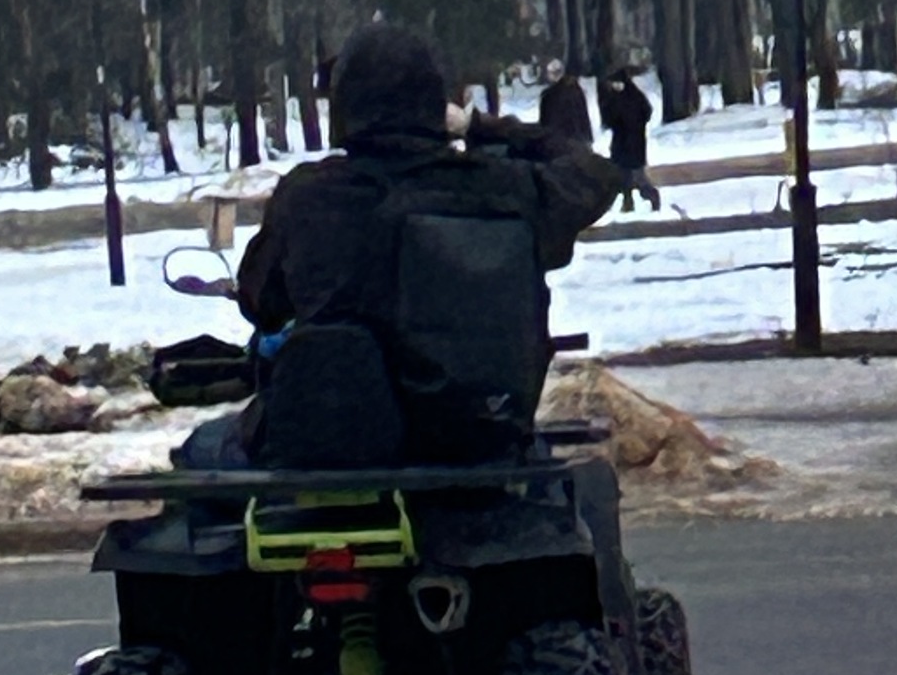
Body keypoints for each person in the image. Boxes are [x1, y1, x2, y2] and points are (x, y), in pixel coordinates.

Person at [237, 23, 618, 461]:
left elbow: (260, 300)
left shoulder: (309, 196)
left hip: (345, 448)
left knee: (207, 450)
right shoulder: (502, 189)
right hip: (480, 440)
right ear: (437, 102)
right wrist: (480, 126)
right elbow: (592, 171)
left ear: (345, 104)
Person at [598, 64, 661, 212]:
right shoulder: (616, 98)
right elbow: (609, 119)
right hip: (622, 143)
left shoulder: (634, 97)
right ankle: (628, 203)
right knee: (623, 177)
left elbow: (646, 113)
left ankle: (651, 196)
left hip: (633, 143)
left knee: (637, 176)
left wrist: (633, 124)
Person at [537, 57, 594, 146]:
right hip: (577, 140)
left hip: (557, 141)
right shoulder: (576, 90)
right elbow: (583, 116)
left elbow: (544, 122)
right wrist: (588, 138)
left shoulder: (548, 95)